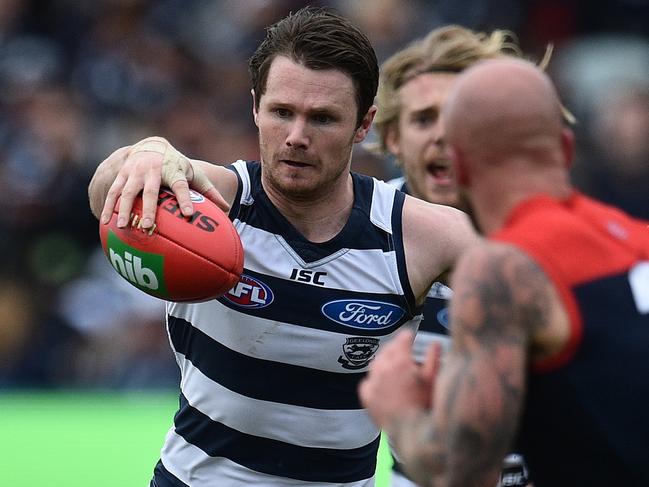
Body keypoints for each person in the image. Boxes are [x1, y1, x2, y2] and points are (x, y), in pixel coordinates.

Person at [87, 7, 478, 487]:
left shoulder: (420, 235)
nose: (296, 137)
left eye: (323, 118)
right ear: (255, 107)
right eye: (281, 112)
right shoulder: (208, 204)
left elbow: (545, 297)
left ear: (364, 123)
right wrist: (144, 152)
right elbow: (104, 190)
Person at [359, 58, 649, 487]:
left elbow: (458, 473)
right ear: (566, 149)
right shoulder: (637, 237)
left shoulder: (502, 267)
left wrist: (397, 409)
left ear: (456, 166)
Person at [372, 26, 530, 487]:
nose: (444, 134)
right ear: (393, 139)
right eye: (424, 119)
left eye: (460, 117)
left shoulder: (539, 230)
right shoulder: (363, 228)